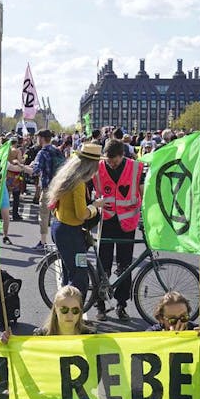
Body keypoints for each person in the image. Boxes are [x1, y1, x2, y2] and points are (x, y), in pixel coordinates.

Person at [46, 142, 105, 305]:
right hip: (70, 231)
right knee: (79, 278)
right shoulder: (79, 183)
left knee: (68, 274)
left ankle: (62, 312)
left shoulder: (68, 176)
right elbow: (81, 214)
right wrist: (95, 207)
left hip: (60, 226)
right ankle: (74, 316)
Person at [94, 139, 142, 321]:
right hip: (106, 221)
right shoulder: (98, 167)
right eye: (108, 160)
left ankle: (121, 305)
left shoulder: (135, 168)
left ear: (123, 156)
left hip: (127, 223)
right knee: (103, 266)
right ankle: (100, 305)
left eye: (114, 161)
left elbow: (143, 192)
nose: (111, 164)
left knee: (125, 266)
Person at [31, 130, 63, 249]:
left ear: (42, 138)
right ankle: (58, 242)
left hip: (47, 187)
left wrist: (23, 167)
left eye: (37, 138)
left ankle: (43, 241)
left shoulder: (42, 152)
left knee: (44, 214)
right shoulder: (57, 150)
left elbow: (36, 171)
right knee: (58, 214)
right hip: (58, 187)